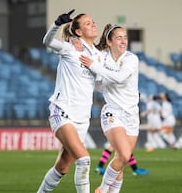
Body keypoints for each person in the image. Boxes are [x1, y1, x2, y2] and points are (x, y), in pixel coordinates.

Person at [36, 10, 103, 193]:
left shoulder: (98, 55)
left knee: (62, 168)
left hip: (82, 119)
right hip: (62, 111)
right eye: (88, 23)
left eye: (93, 21)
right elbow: (47, 42)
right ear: (78, 32)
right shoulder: (70, 47)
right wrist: (57, 25)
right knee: (84, 160)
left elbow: (99, 85)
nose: (93, 24)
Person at [80, 24, 140, 193]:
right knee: (124, 155)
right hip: (113, 111)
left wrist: (94, 67)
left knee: (120, 161)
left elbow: (120, 78)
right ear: (109, 41)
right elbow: (99, 83)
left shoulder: (131, 59)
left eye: (125, 37)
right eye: (119, 37)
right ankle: (102, 189)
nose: (123, 41)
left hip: (132, 115)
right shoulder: (101, 58)